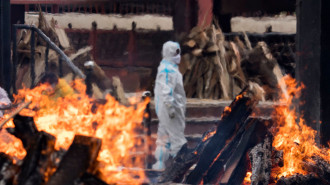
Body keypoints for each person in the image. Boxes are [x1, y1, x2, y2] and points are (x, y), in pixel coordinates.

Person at [153, 41, 187, 170]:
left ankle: (160, 163)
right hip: (172, 109)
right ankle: (180, 165)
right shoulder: (168, 71)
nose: (179, 56)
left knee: (163, 136)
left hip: (165, 109)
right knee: (177, 137)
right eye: (176, 52)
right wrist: (170, 107)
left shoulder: (166, 67)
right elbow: (166, 90)